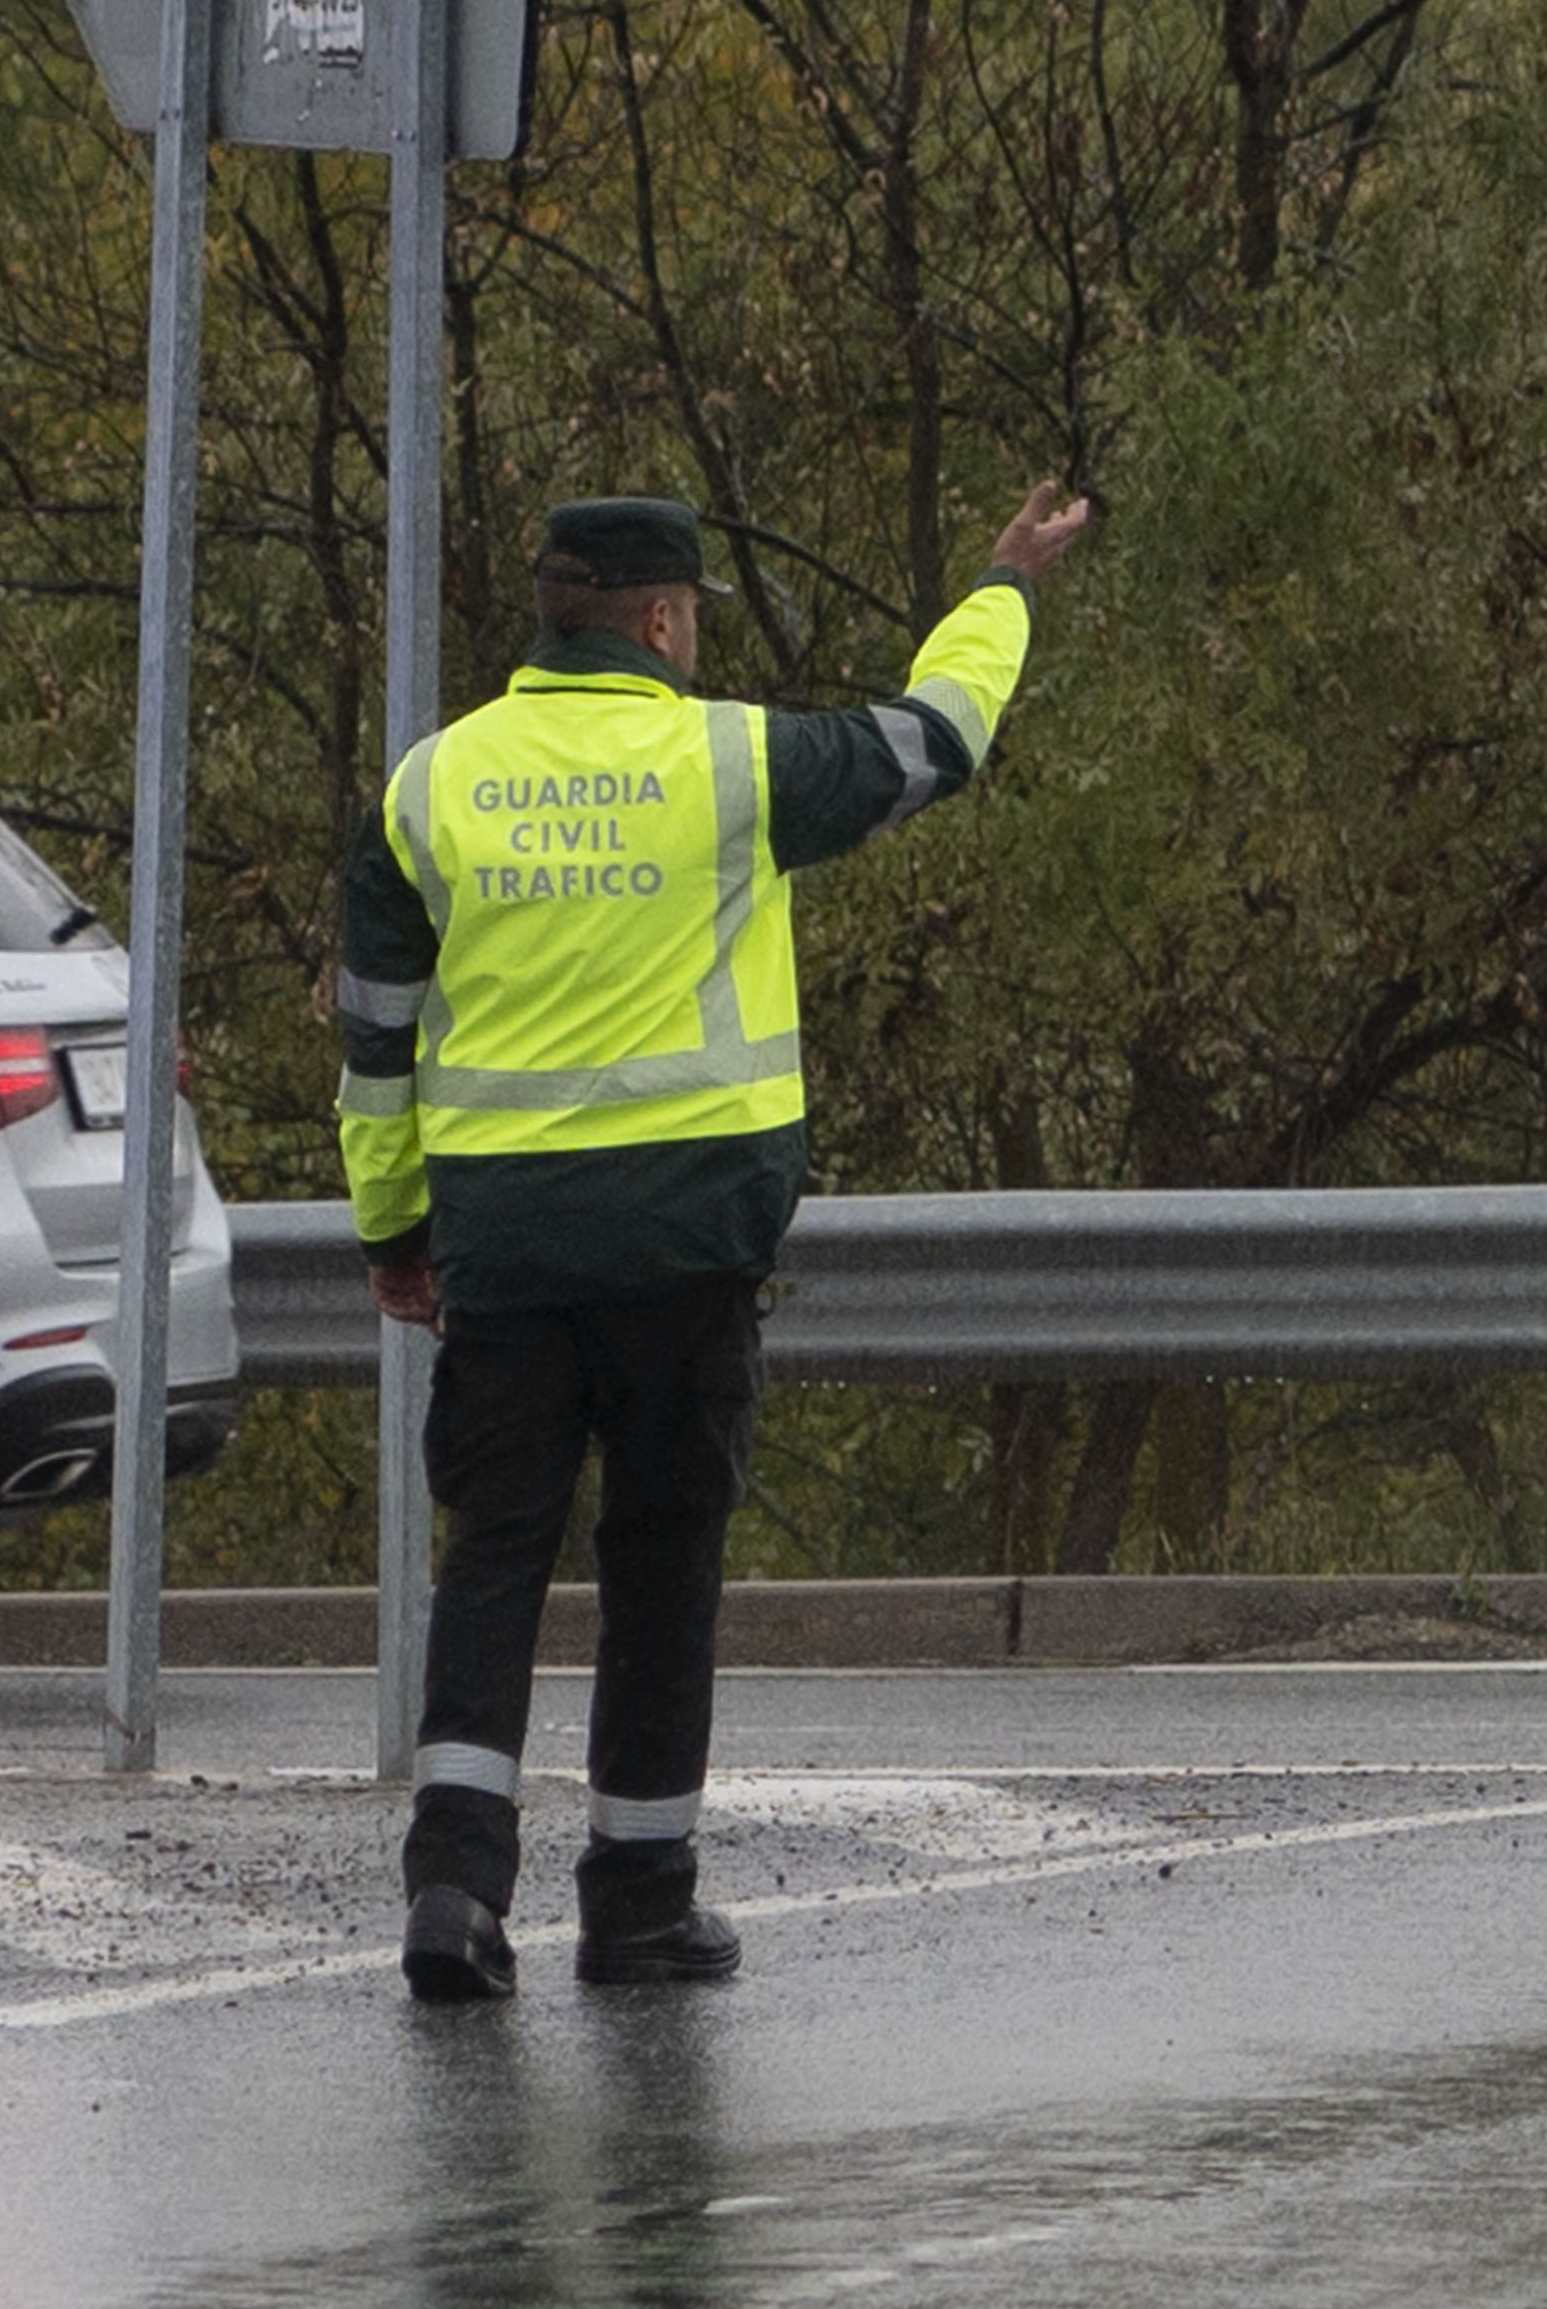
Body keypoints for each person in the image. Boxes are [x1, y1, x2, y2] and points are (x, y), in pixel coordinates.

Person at [332, 479, 1094, 1999]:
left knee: (493, 1558)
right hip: (685, 1249)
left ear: (555, 616)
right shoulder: (732, 760)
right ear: (666, 621)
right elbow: (935, 736)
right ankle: (637, 1900)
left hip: (509, 1252)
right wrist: (1003, 583)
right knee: (662, 1564)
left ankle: (454, 1892)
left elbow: (374, 1041)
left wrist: (394, 1225)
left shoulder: (431, 789)